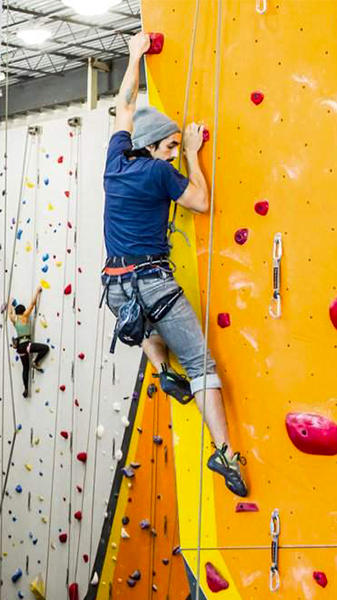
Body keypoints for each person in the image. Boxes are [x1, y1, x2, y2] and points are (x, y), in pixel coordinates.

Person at [100, 32, 248, 497]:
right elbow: (201, 202)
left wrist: (134, 55)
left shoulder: (114, 161)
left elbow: (125, 105)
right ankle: (226, 453)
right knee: (202, 363)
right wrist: (191, 155)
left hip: (115, 286)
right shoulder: (160, 171)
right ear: (155, 147)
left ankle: (161, 369)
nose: (171, 150)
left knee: (146, 327)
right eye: (168, 144)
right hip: (152, 282)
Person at [8, 286, 49, 398]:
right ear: (23, 311)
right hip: (27, 345)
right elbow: (32, 303)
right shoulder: (25, 317)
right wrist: (37, 291)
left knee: (25, 368)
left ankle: (26, 389)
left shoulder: (14, 320)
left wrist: (10, 303)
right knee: (45, 348)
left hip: (20, 348)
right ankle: (35, 361)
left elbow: (9, 314)